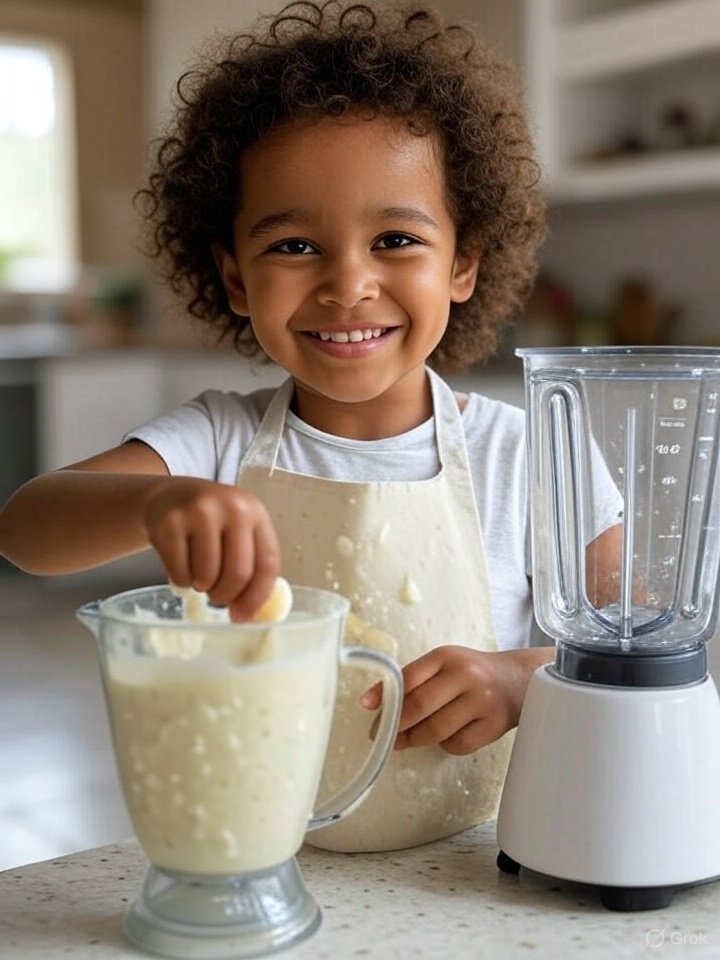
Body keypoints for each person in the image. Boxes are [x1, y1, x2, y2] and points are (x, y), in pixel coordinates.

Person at [1, 0, 566, 851]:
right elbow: (26, 529)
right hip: (263, 856)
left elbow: (634, 643)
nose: (347, 283)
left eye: (396, 240)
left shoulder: (525, 452)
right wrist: (158, 503)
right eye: (294, 247)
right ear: (234, 277)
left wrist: (526, 678)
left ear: (464, 263)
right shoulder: (216, 442)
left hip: (476, 861)